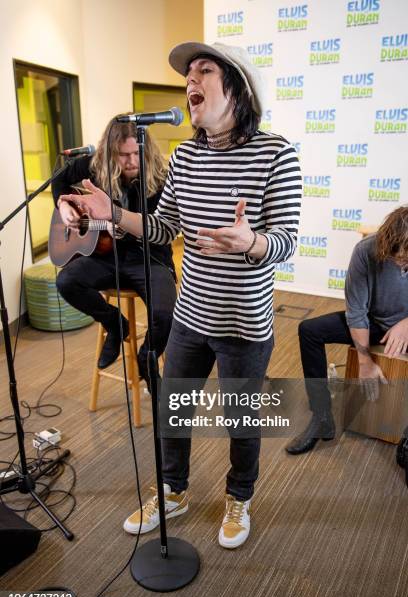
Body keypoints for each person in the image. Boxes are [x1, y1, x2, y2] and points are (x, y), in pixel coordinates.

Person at [59, 42, 302, 548]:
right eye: (188, 74)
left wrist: (251, 241)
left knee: (240, 418)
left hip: (244, 321)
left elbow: (287, 241)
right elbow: (163, 226)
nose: (191, 80)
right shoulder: (186, 155)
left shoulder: (278, 154)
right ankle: (173, 491)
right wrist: (110, 214)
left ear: (237, 88)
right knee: (175, 408)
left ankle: (239, 496)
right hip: (192, 313)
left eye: (204, 70)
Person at [52, 120, 177, 389]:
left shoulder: (164, 178)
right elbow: (59, 179)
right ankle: (115, 324)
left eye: (136, 153)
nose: (132, 161)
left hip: (150, 258)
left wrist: (120, 222)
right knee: (65, 282)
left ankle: (147, 356)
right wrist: (64, 206)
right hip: (107, 257)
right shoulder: (94, 167)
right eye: (124, 155)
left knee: (166, 314)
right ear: (110, 153)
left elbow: (164, 229)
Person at [286, 206, 408, 455]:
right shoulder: (366, 250)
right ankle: (321, 417)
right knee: (310, 330)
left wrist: (406, 324)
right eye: (397, 257)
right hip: (373, 321)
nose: (401, 263)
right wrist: (364, 361)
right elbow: (356, 311)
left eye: (406, 259)